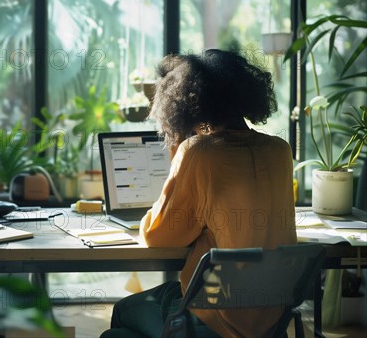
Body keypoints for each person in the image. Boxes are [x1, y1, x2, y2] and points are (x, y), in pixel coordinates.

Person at [101, 50, 297, 338]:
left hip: (217, 316)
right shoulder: (280, 149)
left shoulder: (199, 152)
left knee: (120, 317)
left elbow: (156, 237)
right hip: (271, 318)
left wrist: (179, 148)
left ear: (186, 103)